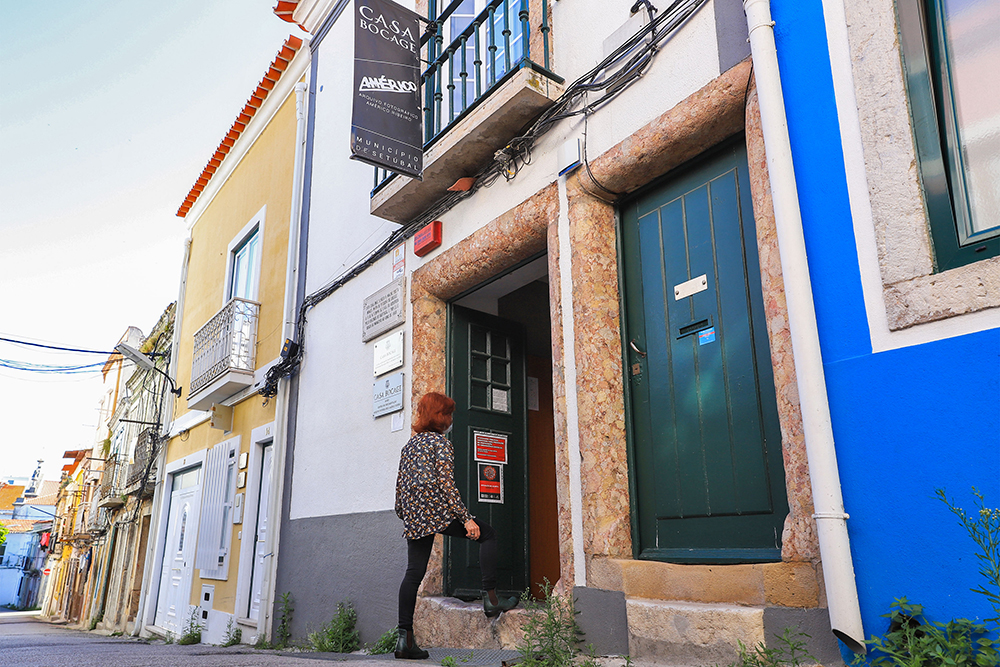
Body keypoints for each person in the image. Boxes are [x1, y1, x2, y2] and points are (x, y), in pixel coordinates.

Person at [393, 392, 518, 660]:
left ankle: (404, 639)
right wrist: (466, 518)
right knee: (488, 535)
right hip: (438, 510)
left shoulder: (409, 446)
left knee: (413, 574)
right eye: (448, 414)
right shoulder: (441, 444)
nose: (450, 419)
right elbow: (446, 486)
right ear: (439, 417)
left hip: (414, 513)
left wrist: (406, 513)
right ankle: (491, 600)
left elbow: (399, 489)